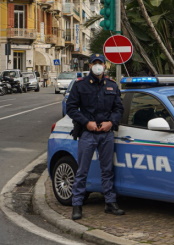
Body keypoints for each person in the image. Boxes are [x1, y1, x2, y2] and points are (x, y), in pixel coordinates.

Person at [66, 53, 125, 220]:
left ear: (105, 66)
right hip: (88, 133)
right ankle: (77, 205)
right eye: (95, 63)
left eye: (100, 63)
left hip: (106, 133)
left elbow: (119, 109)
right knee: (82, 171)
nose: (98, 66)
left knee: (107, 170)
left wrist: (110, 123)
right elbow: (71, 108)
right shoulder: (80, 85)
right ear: (90, 66)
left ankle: (110, 203)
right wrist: (86, 123)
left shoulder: (112, 85)